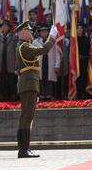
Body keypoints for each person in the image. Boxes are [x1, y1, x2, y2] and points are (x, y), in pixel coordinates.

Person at [16, 21, 62, 158]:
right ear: (23, 33)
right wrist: (52, 37)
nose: (31, 33)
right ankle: (23, 149)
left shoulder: (26, 46)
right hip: (28, 84)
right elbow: (43, 50)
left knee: (28, 117)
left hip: (31, 84)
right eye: (29, 31)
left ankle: (25, 148)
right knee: (26, 117)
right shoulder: (24, 47)